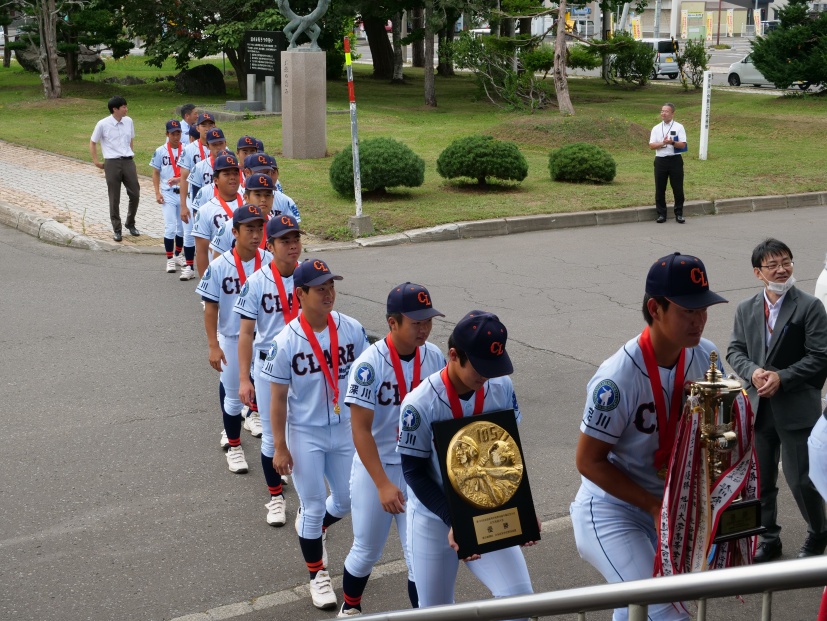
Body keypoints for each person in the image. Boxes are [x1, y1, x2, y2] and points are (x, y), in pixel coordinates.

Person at [571, 252, 727, 621]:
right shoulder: (617, 377)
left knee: (637, 613)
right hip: (611, 511)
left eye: (703, 307)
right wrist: (654, 506)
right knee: (667, 610)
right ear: (655, 308)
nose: (699, 319)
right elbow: (587, 461)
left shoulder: (707, 357)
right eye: (688, 310)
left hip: (666, 507)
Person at [397, 311, 536, 619]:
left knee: (519, 600)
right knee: (435, 612)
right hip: (436, 516)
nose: (487, 375)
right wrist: (453, 519)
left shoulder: (500, 387)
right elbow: (414, 472)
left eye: (494, 365)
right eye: (480, 366)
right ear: (453, 355)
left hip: (488, 508)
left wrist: (522, 511)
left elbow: (507, 453)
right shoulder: (419, 403)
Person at [261, 258, 369, 610]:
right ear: (301, 293)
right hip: (305, 433)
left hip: (344, 429)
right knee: (310, 506)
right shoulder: (285, 341)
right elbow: (276, 400)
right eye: (320, 288)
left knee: (346, 500)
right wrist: (279, 446)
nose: (328, 293)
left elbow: (368, 379)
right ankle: (317, 575)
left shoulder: (351, 329)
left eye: (331, 286)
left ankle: (317, 527)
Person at [339, 283, 446, 617]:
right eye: (416, 322)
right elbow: (360, 430)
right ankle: (350, 607)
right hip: (378, 466)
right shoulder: (369, 365)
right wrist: (383, 483)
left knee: (418, 556)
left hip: (420, 469)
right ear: (392, 323)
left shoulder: (436, 356)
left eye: (428, 320)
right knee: (367, 550)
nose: (424, 328)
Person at [727, 238, 827, 562]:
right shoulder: (745, 308)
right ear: (758, 272)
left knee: (801, 480)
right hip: (759, 409)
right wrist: (754, 372)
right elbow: (734, 351)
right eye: (773, 265)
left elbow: (820, 355)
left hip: (797, 407)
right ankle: (768, 538)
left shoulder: (810, 306)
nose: (782, 270)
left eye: (787, 262)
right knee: (761, 480)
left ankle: (819, 531)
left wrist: (782, 377)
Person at [234, 214, 304, 526]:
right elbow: (246, 333)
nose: (292, 246)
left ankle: (308, 503)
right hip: (269, 365)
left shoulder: (309, 277)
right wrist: (244, 378)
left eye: (296, 239)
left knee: (304, 432)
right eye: (284, 241)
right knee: (271, 438)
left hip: (304, 365)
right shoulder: (256, 282)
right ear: (270, 245)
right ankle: (275, 498)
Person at [196, 205, 272, 472]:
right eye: (249, 229)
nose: (255, 234)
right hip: (231, 336)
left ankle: (273, 457)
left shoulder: (270, 261)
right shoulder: (218, 266)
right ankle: (235, 446)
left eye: (259, 229)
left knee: (269, 397)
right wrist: (213, 345)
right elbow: (210, 307)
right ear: (235, 232)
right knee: (232, 399)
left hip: (263, 340)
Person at [89, 95, 141, 242]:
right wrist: (96, 161)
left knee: (135, 194)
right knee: (114, 197)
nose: (126, 109)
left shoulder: (129, 121)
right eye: (123, 107)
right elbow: (93, 142)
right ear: (115, 109)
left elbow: (131, 139)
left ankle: (130, 223)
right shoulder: (103, 124)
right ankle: (117, 229)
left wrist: (129, 154)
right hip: (111, 162)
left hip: (128, 161)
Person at [192, 153, 243, 277]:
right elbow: (202, 252)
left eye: (235, 173)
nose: (232, 177)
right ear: (216, 180)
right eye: (226, 174)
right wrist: (206, 283)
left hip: (251, 272)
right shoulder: (205, 210)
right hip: (221, 275)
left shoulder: (251, 203)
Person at [150, 120, 186, 274]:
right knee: (170, 227)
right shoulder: (160, 151)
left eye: (178, 133)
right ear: (167, 134)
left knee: (183, 228)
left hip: (184, 193)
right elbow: (156, 172)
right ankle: (169, 259)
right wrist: (157, 192)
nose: (176, 136)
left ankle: (178, 254)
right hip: (168, 194)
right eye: (173, 134)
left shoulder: (186, 150)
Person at [648, 103, 687, 224]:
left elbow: (683, 144)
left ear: (672, 113)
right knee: (660, 188)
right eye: (662, 111)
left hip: (675, 160)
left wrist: (672, 143)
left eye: (666, 111)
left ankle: (679, 213)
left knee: (678, 188)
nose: (663, 113)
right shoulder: (656, 128)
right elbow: (651, 145)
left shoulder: (679, 127)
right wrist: (663, 143)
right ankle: (661, 214)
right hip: (661, 160)